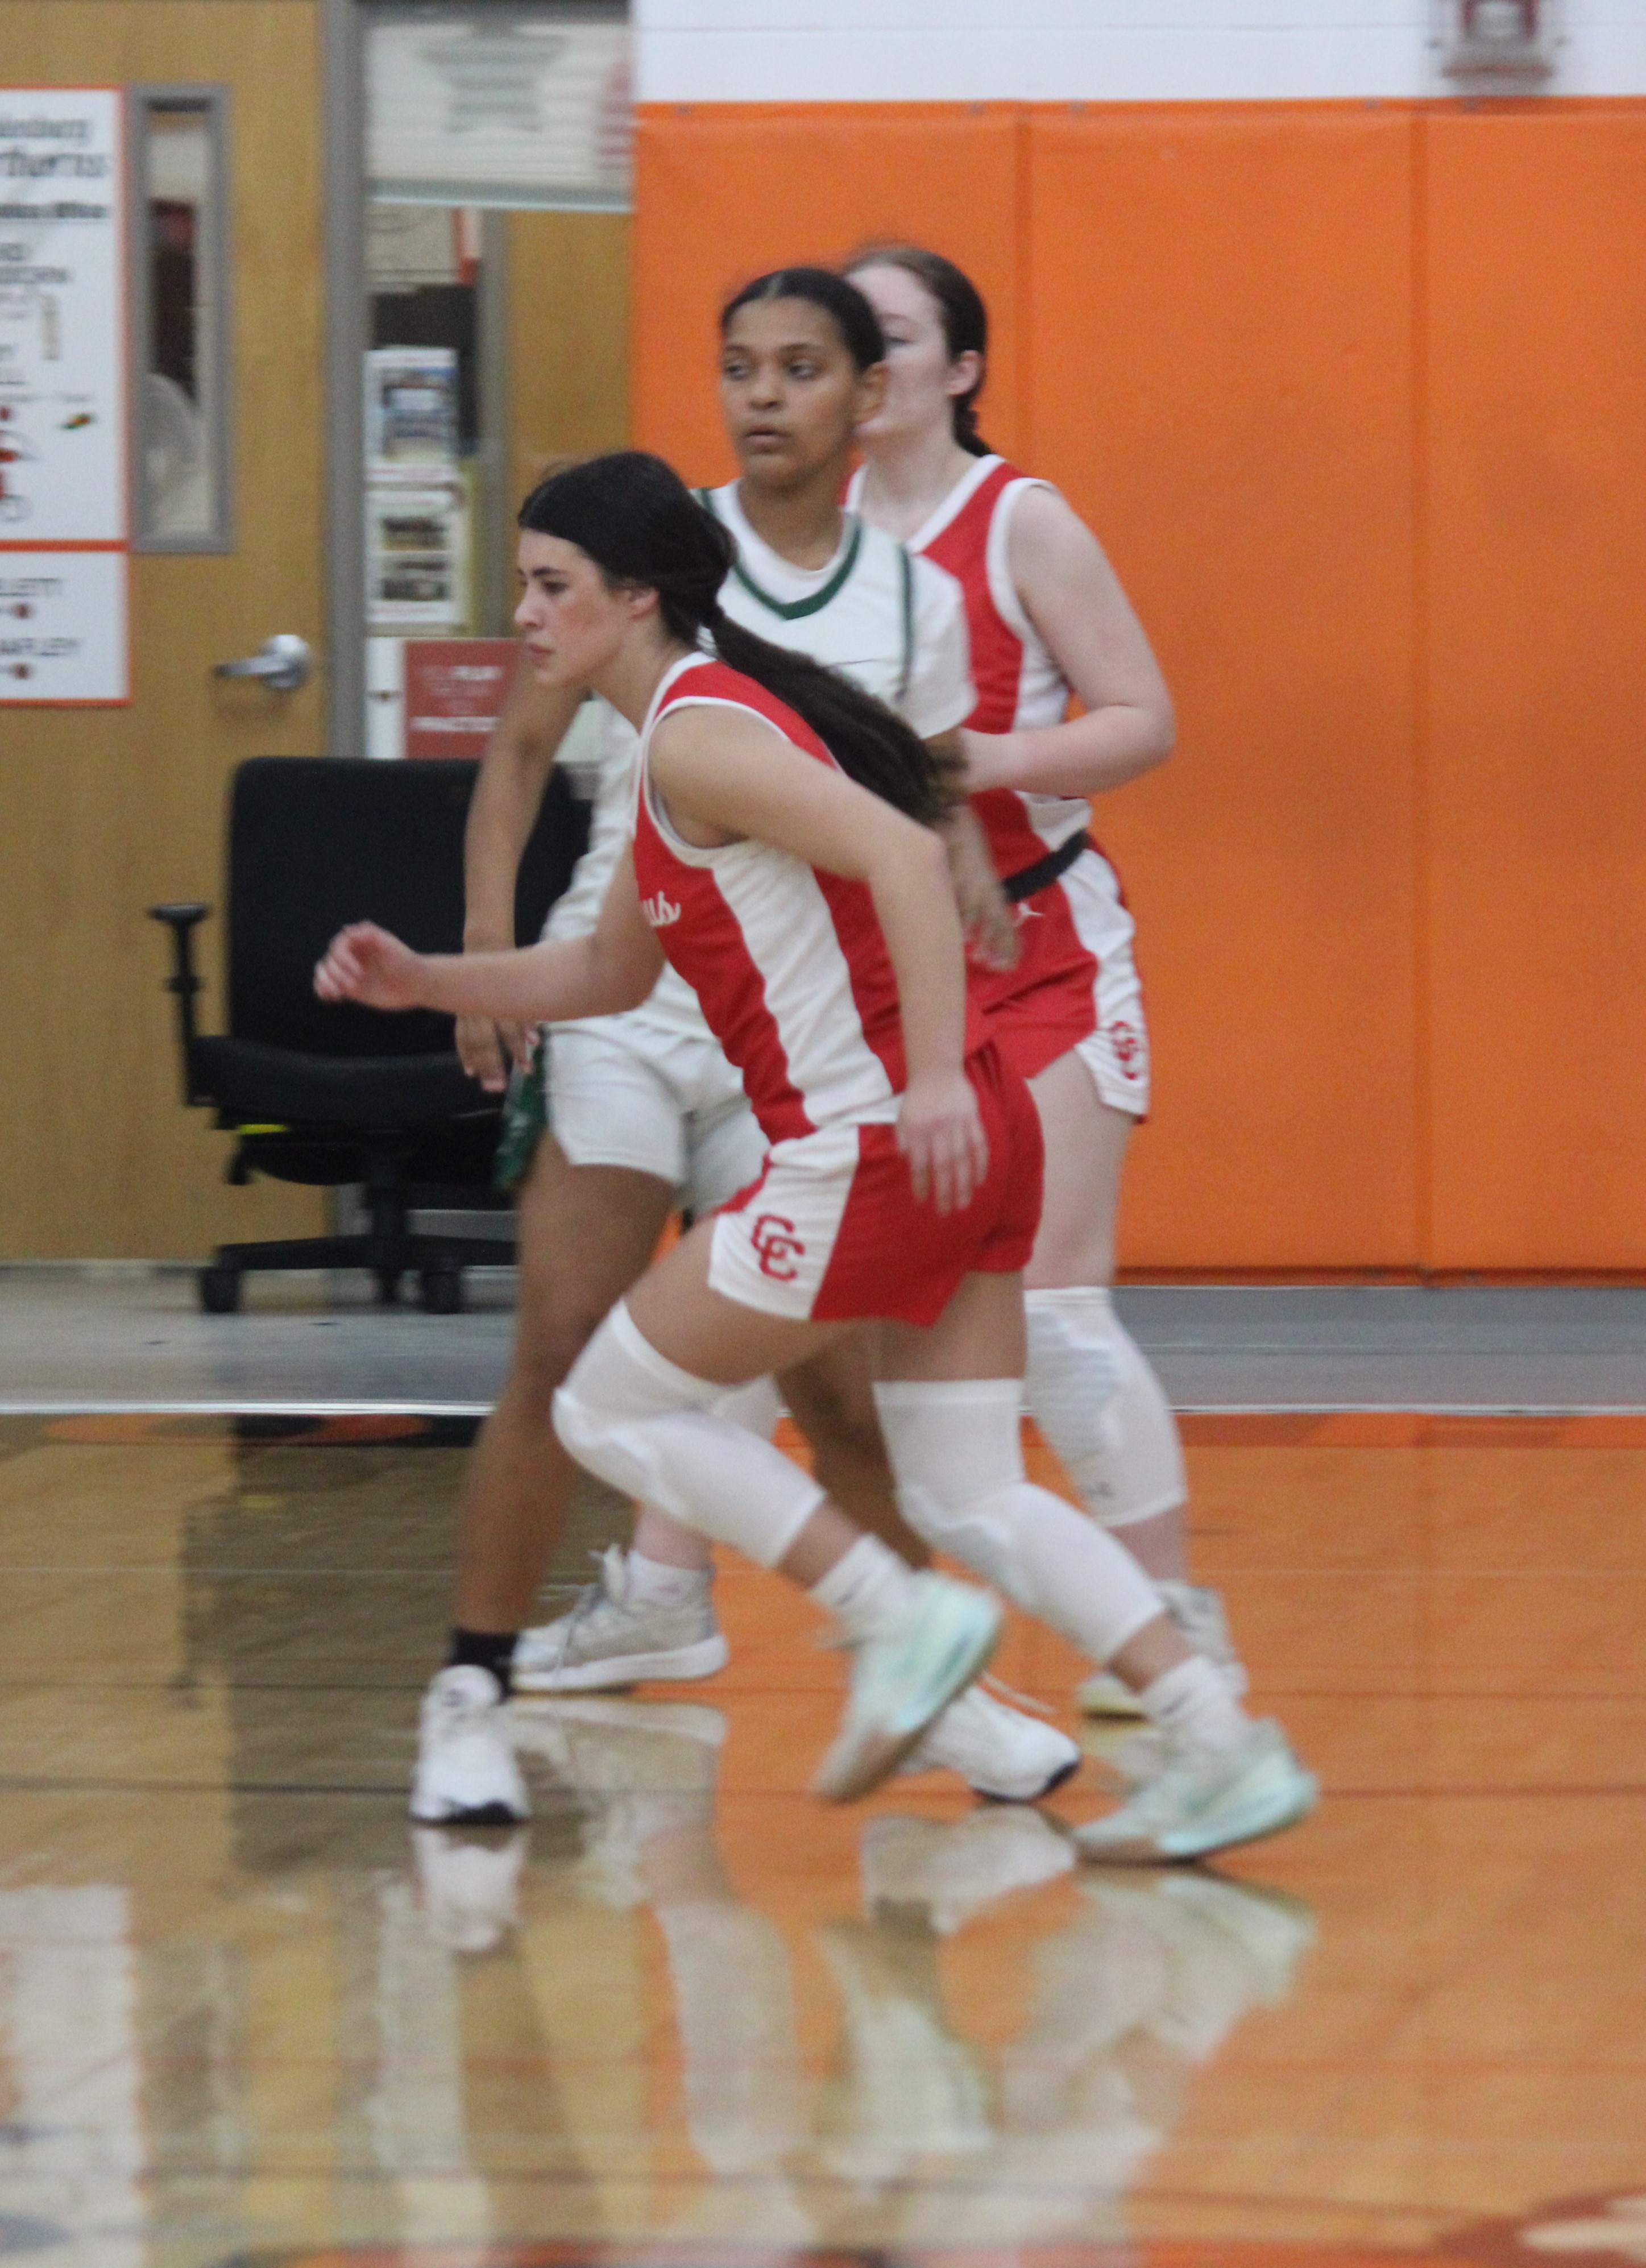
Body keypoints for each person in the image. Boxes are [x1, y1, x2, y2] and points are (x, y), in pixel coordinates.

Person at [317, 449, 1319, 1860]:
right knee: (972, 1492)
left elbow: (906, 856)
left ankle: (892, 1617)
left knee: (602, 1408)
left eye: (550, 586)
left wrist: (927, 1079)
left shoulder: (695, 737)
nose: (525, 617)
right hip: (966, 1139)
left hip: (872, 1149)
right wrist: (428, 981)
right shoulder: (679, 739)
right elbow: (608, 974)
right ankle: (1221, 1742)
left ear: (635, 595)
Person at [420, 268, 1077, 1826]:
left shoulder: (908, 595)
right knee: (563, 1345)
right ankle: (471, 1687)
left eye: (800, 367)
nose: (764, 395)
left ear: (869, 394)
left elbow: (915, 806)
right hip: (632, 996)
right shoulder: (639, 546)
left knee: (833, 1399)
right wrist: (466, 966)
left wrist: (960, 931)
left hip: (790, 1042)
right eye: (738, 367)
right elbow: (520, 764)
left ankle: (938, 1691)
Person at [844, 243, 1243, 1716]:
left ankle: (1176, 1625)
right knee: (821, 1318)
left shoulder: (1020, 521)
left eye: (895, 333)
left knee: (1058, 1309)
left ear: (960, 368)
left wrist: (987, 759)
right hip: (874, 962)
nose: (866, 358)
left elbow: (1143, 719)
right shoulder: (794, 532)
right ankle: (680, 1592)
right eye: (845, 333)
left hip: (1035, 938)